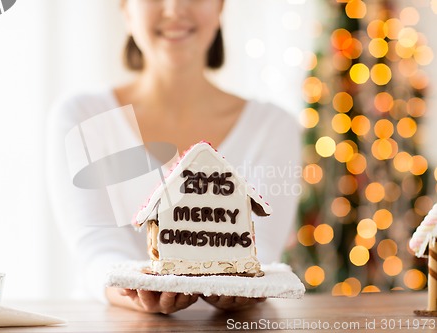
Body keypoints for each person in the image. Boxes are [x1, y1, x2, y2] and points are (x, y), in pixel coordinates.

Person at [47, 0, 301, 314]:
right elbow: (96, 248)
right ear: (126, 9)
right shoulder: (82, 116)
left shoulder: (273, 126)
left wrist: (237, 285)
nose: (174, 8)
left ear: (220, 6)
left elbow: (259, 247)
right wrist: (135, 290)